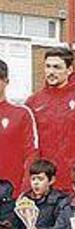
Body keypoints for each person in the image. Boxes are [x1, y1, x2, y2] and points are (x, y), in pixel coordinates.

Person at [26, 47, 75, 192]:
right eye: (48, 66)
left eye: (57, 67)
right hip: (45, 183)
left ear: (69, 70)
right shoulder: (33, 102)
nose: (51, 72)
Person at [0, 57, 38, 194]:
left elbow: (31, 154)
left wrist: (25, 190)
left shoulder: (22, 113)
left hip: (11, 194)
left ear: (6, 81)